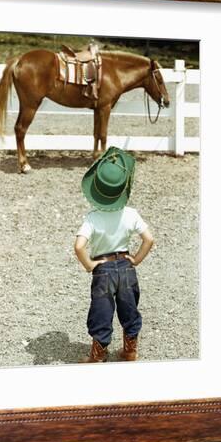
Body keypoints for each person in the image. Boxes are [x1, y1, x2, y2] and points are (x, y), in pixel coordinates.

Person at [74, 146, 154, 363]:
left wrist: (89, 265)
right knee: (129, 308)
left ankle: (98, 355)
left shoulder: (92, 218)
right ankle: (130, 350)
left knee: (102, 310)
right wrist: (136, 259)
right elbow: (149, 239)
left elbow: (79, 246)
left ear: (97, 190)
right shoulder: (131, 214)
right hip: (126, 267)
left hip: (103, 269)